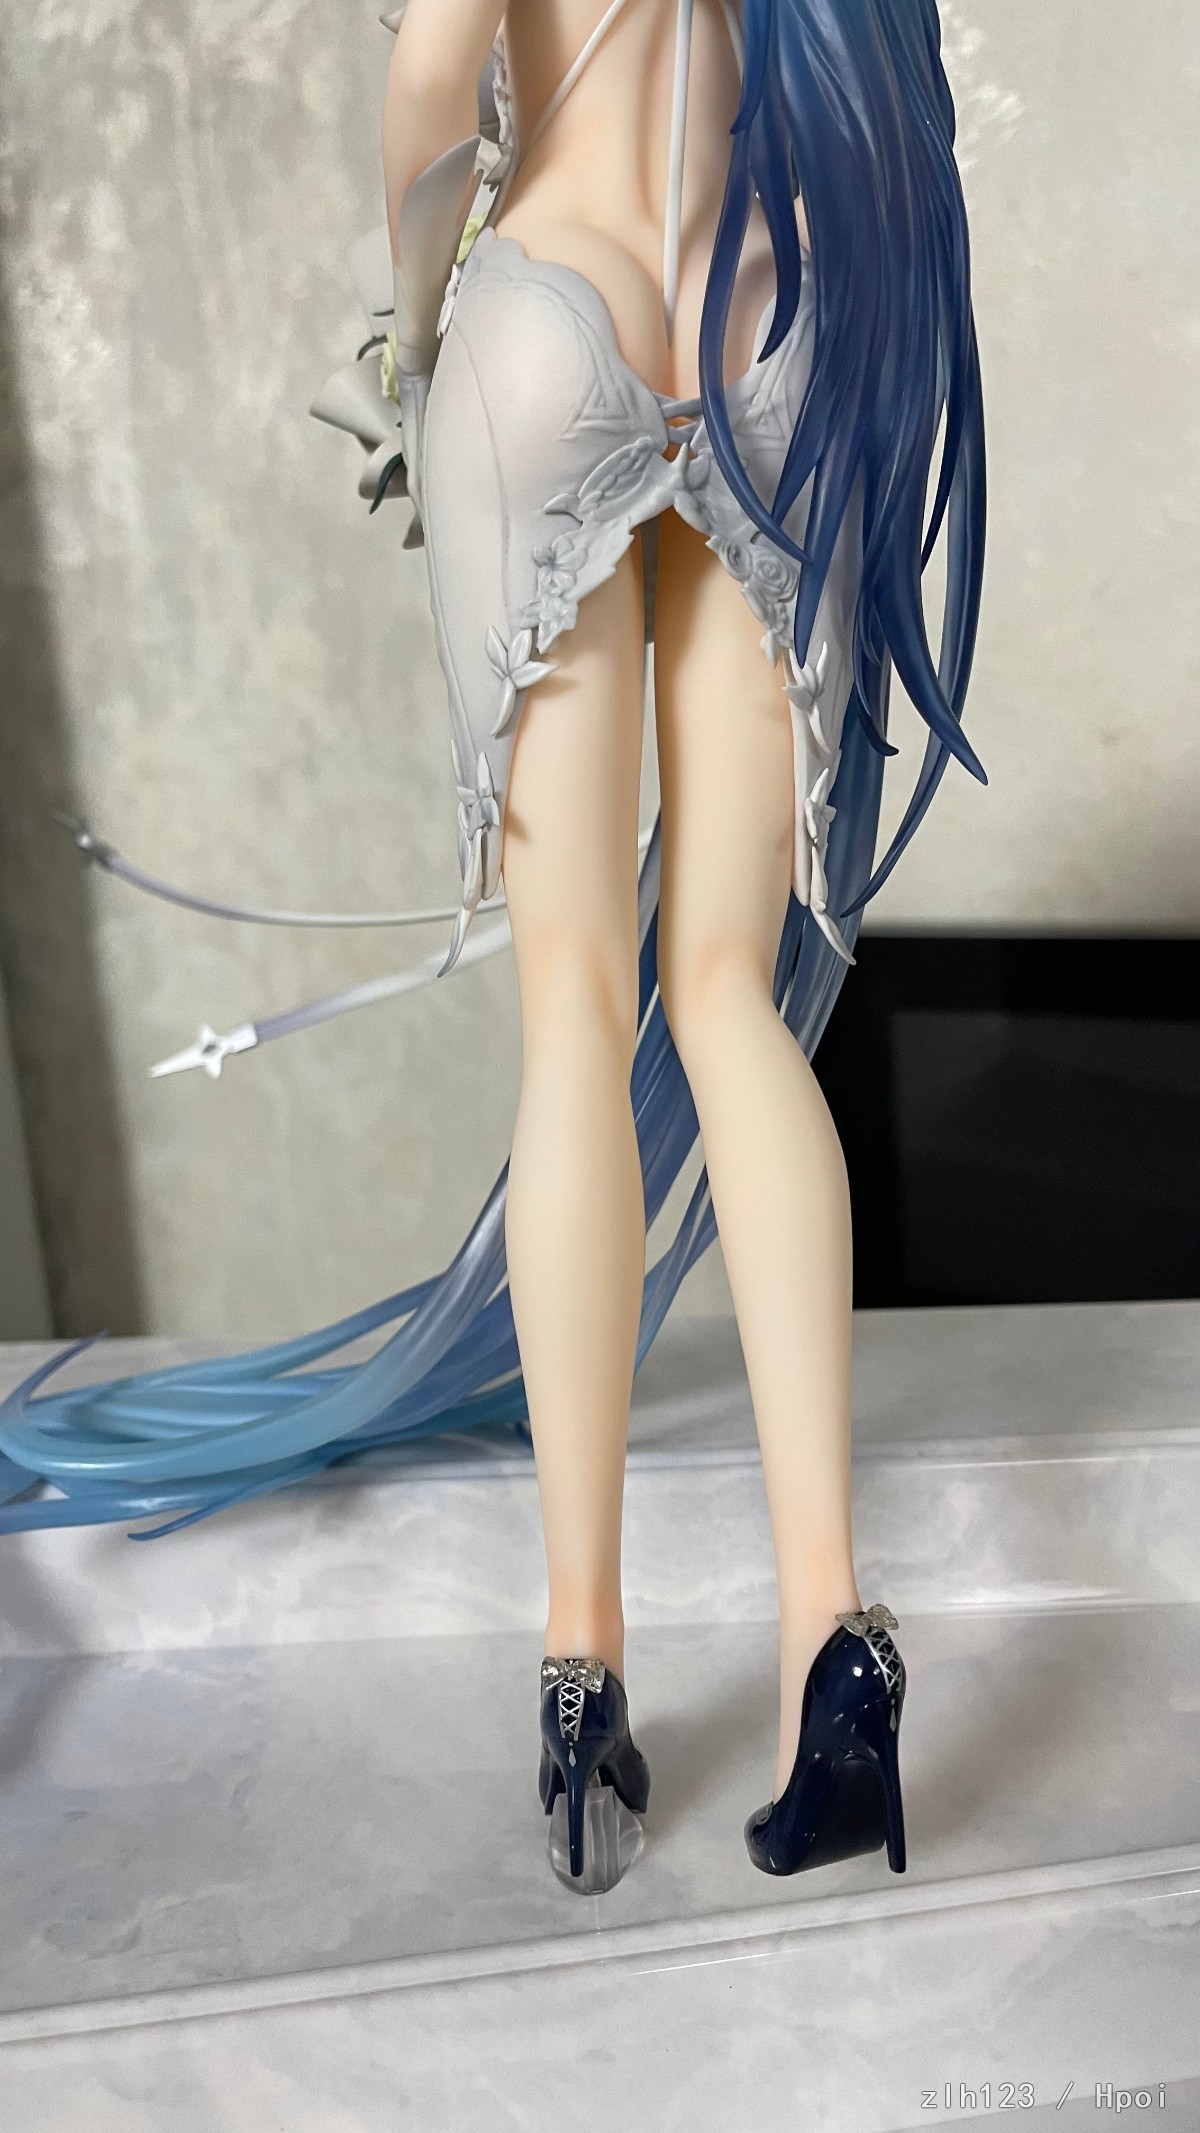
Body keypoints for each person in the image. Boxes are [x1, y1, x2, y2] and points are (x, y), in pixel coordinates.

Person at [0, 0, 985, 1896]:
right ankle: (831, 1634)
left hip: (552, 314)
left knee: (574, 1005)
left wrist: (413, 326)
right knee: (729, 986)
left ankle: (581, 1662)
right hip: (771, 316)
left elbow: (432, 74)